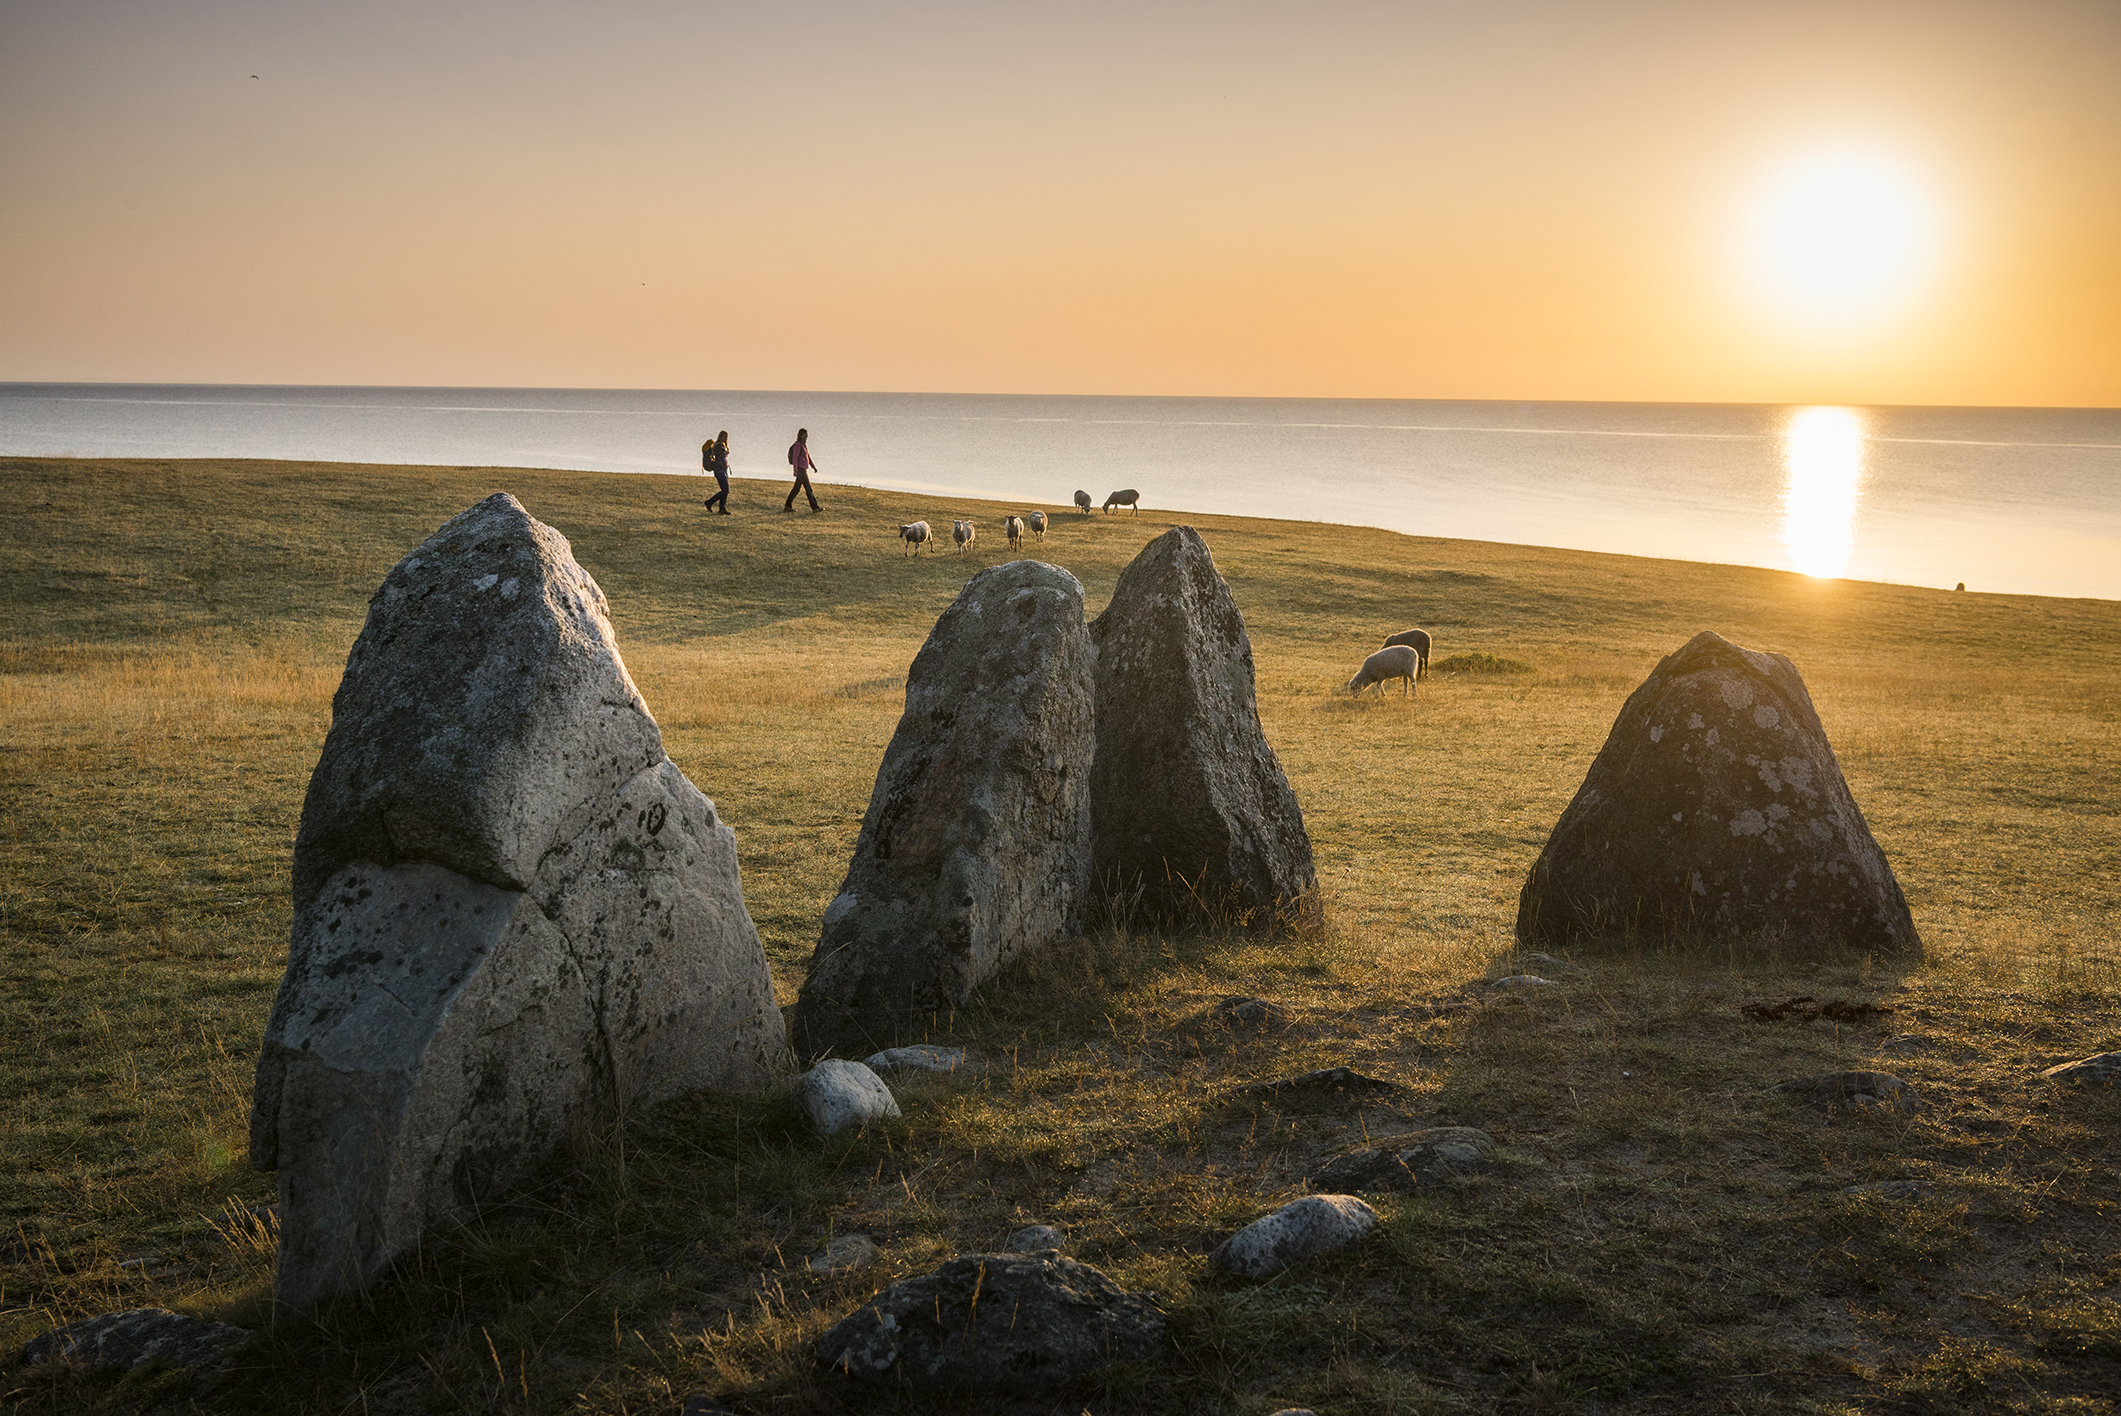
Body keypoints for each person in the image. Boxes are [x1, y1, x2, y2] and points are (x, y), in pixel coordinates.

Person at [783, 427, 822, 513]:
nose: (807, 436)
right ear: (801, 435)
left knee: (796, 489)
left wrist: (813, 466)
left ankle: (787, 506)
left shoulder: (804, 445)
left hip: (804, 469)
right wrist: (795, 470)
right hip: (801, 470)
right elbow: (795, 458)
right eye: (805, 435)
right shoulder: (798, 445)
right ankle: (815, 508)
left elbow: (808, 457)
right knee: (808, 489)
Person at [702, 431, 731, 514]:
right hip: (719, 469)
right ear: (720, 436)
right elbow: (719, 454)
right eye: (725, 437)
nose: (726, 438)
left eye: (727, 437)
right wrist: (726, 452)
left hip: (722, 469)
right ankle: (709, 502)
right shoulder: (718, 445)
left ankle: (722, 508)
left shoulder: (722, 445)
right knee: (725, 490)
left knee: (724, 490)